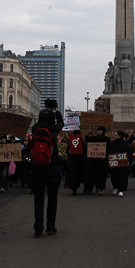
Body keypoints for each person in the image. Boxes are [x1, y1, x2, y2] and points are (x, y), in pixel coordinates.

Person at [30, 101, 64, 237]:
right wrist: (56, 109)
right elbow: (62, 123)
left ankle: (38, 228)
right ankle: (50, 226)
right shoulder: (54, 129)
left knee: (38, 199)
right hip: (52, 168)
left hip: (37, 168)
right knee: (52, 198)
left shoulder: (35, 129)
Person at [88, 126, 111, 194]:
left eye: (100, 130)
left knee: (103, 174)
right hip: (96, 160)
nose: (99, 132)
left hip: (103, 160)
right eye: (98, 130)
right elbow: (91, 147)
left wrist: (106, 155)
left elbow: (109, 148)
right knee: (96, 174)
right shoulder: (94, 139)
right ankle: (97, 186)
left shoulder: (107, 139)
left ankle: (102, 187)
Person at [108, 131, 131, 197]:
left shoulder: (125, 143)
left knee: (121, 176)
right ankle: (115, 187)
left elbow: (128, 152)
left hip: (122, 163)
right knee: (114, 176)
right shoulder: (112, 143)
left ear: (120, 136)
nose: (115, 136)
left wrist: (128, 160)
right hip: (114, 162)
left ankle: (121, 190)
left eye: (116, 135)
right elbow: (109, 152)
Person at [65, 129, 85, 196]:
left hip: (76, 161)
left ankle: (75, 188)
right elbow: (67, 150)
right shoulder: (71, 141)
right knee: (74, 176)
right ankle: (74, 188)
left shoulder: (82, 141)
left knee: (75, 176)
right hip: (74, 161)